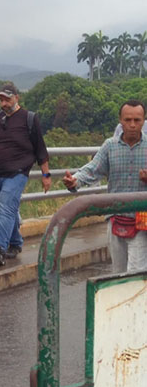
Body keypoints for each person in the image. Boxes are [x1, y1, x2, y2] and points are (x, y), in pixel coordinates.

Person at [0, 81, 51, 267]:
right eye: (1, 100)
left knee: (5, 206)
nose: (4, 103)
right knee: (9, 208)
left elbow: (40, 148)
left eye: (7, 99)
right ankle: (16, 242)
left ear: (16, 97)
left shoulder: (29, 118)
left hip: (17, 173)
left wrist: (46, 175)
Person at [63, 99, 147, 273]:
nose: (132, 125)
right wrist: (76, 180)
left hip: (143, 217)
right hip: (116, 215)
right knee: (118, 270)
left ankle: (137, 299)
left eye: (137, 120)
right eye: (127, 120)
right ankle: (123, 300)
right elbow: (93, 169)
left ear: (144, 120)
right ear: (120, 120)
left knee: (136, 270)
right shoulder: (110, 146)